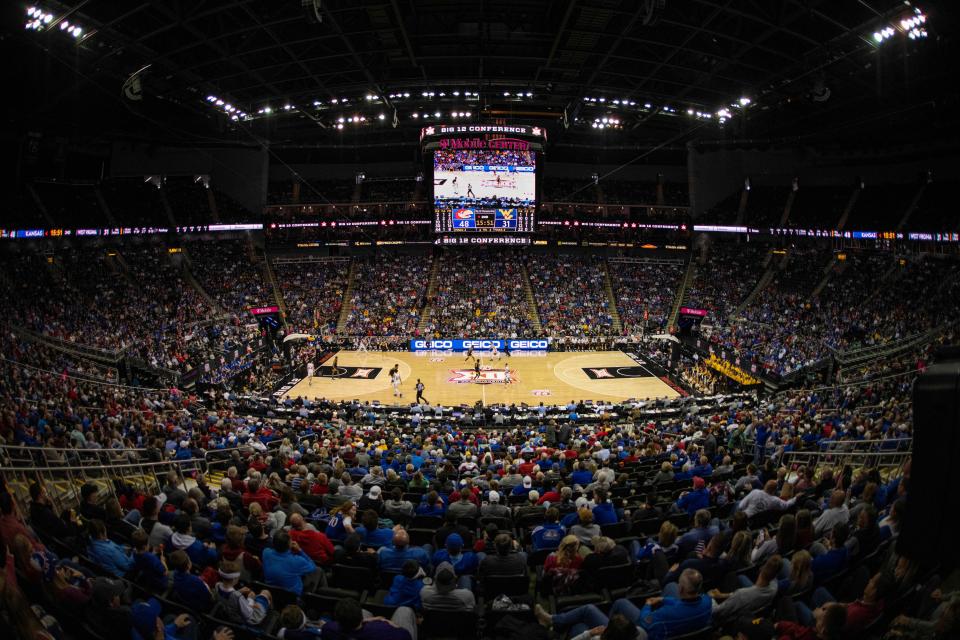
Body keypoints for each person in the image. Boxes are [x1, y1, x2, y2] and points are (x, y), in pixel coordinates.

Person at [708, 555, 782, 625]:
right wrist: (722, 595)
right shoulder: (775, 586)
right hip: (749, 606)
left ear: (761, 569)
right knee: (735, 576)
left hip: (731, 620)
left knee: (730, 576)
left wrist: (710, 598)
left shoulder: (741, 594)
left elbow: (716, 612)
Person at [323, 597, 416, 640]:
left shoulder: (329, 629)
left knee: (364, 611)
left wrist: (367, 620)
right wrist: (390, 623)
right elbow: (406, 635)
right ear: (360, 618)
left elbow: (325, 626)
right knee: (404, 610)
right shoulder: (383, 628)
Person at [262, 531, 323, 596]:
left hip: (272, 593)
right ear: (289, 545)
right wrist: (300, 550)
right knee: (318, 570)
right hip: (293, 599)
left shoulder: (266, 552)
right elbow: (313, 567)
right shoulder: (297, 561)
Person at [215, 559, 272, 627]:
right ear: (234, 579)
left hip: (231, 614)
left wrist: (238, 591)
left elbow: (228, 596)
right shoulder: (237, 597)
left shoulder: (217, 585)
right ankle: (270, 613)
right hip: (249, 619)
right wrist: (250, 599)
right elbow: (249, 614)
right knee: (266, 592)